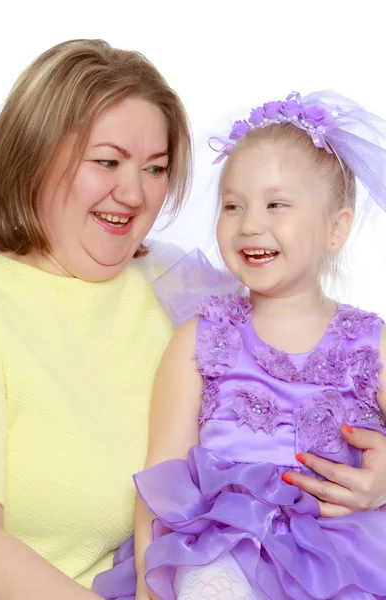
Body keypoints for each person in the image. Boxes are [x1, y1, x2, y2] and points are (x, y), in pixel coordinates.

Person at [93, 92, 386, 600]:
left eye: (276, 204)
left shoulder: (372, 346)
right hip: (222, 553)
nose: (250, 223)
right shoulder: (200, 340)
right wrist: (146, 581)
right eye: (233, 205)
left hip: (344, 560)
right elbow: (159, 480)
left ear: (336, 228)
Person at [0, 38, 192, 599]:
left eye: (156, 169)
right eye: (107, 162)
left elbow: (310, 375)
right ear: (33, 155)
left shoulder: (174, 286)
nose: (133, 193)